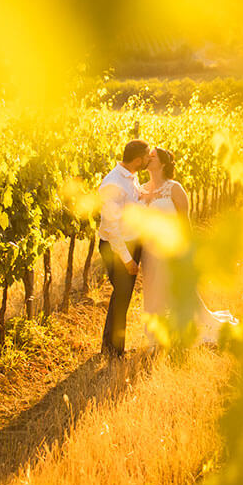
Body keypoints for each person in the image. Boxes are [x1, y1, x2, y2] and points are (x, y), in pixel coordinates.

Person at [142, 147, 238, 346]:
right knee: (153, 294)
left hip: (172, 248)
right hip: (150, 251)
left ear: (162, 163)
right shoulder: (142, 189)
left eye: (152, 156)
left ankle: (190, 329)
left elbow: (185, 223)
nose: (147, 159)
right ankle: (156, 337)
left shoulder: (174, 188)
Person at [97, 139, 150, 357]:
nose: (149, 159)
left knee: (122, 296)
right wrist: (127, 259)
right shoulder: (113, 184)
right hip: (116, 247)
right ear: (138, 159)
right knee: (122, 296)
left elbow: (131, 207)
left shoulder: (131, 176)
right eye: (147, 156)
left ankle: (111, 348)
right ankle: (113, 351)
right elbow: (112, 228)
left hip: (130, 242)